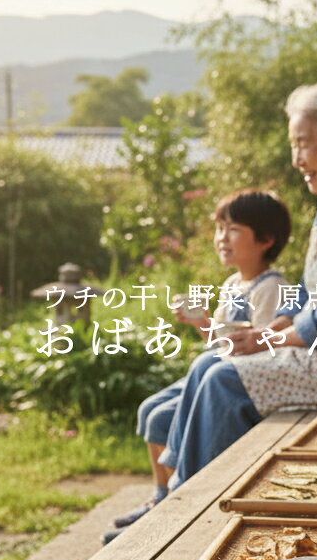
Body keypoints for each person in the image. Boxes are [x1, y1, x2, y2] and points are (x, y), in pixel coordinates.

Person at [105, 83, 317, 542]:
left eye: (302, 144)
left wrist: (268, 338)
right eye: (293, 144)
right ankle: (177, 503)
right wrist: (272, 329)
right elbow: (309, 292)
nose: (296, 158)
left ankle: (189, 519)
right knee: (211, 364)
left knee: (223, 381)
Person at [111, 189, 292, 531]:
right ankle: (161, 495)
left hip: (238, 379)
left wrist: (236, 335)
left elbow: (267, 349)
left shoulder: (272, 287)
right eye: (219, 230)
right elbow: (219, 342)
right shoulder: (231, 285)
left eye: (233, 230)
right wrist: (201, 323)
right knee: (150, 411)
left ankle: (179, 497)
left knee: (164, 416)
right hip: (217, 365)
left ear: (266, 239)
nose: (222, 238)